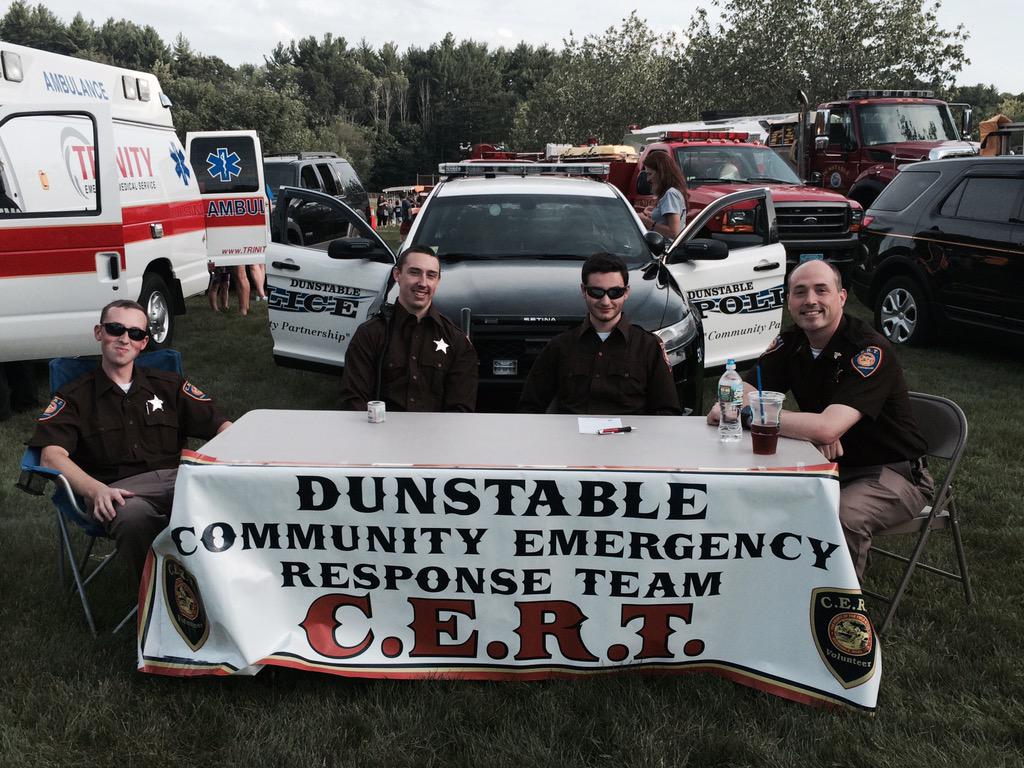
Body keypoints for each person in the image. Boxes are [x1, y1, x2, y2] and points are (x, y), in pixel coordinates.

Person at [706, 259, 932, 579]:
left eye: (821, 290)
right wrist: (810, 429)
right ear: (789, 302)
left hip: (892, 471)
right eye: (799, 292)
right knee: (753, 497)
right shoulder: (794, 342)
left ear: (841, 297)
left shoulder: (868, 350)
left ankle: (837, 620)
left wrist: (745, 415)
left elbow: (827, 428)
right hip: (829, 465)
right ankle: (775, 591)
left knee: (841, 517)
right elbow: (742, 386)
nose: (810, 300)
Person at [27, 300, 231, 582]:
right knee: (133, 518)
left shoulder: (168, 385)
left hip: (178, 485)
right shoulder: (74, 396)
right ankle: (163, 601)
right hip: (117, 494)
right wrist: (95, 490)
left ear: (144, 342)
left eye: (135, 333)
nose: (124, 338)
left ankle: (224, 589)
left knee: (231, 498)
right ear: (99, 332)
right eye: (115, 329)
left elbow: (224, 427)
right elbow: (51, 456)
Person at [519, 252, 681, 416]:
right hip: (571, 439)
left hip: (631, 439)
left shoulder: (648, 347)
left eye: (615, 293)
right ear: (584, 291)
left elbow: (667, 411)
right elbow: (530, 408)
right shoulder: (560, 347)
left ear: (626, 292)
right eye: (597, 292)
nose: (605, 301)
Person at [340, 246, 478, 412]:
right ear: (397, 275)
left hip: (436, 436)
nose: (423, 283)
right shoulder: (370, 334)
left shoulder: (457, 341)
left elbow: (460, 410)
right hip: (379, 434)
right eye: (415, 272)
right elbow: (353, 400)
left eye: (431, 275)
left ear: (438, 281)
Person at [638, 150, 686, 239]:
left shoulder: (671, 194)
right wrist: (652, 214)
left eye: (650, 174)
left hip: (666, 249)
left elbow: (674, 232)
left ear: (661, 173)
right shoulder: (670, 193)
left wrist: (646, 221)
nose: (648, 179)